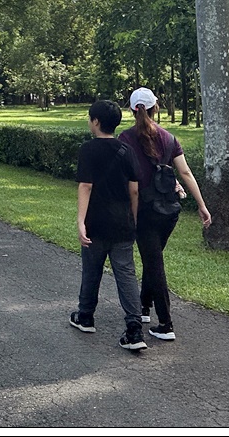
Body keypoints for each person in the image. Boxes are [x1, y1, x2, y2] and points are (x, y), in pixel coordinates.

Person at [119, 87, 212, 343]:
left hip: (144, 211)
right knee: (154, 256)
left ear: (131, 110)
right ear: (155, 108)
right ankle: (144, 306)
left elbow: (131, 186)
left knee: (154, 262)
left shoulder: (125, 139)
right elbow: (186, 174)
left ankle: (166, 323)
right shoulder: (170, 139)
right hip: (169, 211)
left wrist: (132, 216)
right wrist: (202, 206)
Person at [70, 99, 147, 352]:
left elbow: (86, 186)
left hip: (96, 221)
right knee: (125, 274)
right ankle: (134, 329)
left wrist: (80, 221)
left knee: (91, 268)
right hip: (122, 221)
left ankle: (86, 315)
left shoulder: (87, 150)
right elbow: (134, 190)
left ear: (96, 121)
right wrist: (133, 219)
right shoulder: (127, 151)